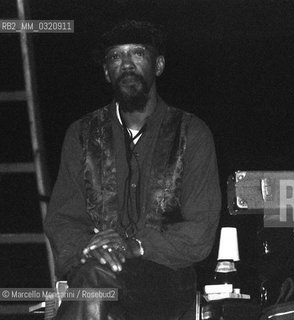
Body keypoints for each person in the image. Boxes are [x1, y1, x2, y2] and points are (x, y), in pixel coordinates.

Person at [44, 20, 221, 320]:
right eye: (116, 57)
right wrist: (90, 248)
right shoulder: (82, 134)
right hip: (97, 271)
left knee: (93, 282)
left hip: (166, 279)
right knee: (93, 279)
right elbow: (62, 218)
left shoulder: (192, 132)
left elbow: (200, 230)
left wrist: (135, 246)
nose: (126, 64)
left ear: (158, 65)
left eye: (137, 54)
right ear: (105, 71)